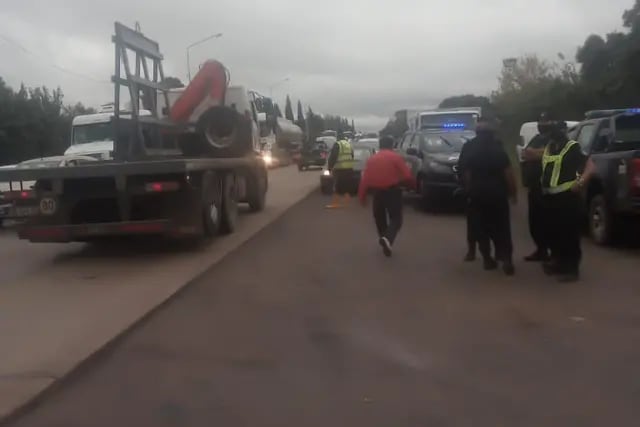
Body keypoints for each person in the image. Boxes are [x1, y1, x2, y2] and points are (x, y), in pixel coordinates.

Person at [459, 117, 518, 275]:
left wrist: (468, 190)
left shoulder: (469, 147)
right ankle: (506, 258)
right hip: (498, 194)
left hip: (477, 193)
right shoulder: (499, 148)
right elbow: (509, 174)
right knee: (502, 227)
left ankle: (487, 259)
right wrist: (513, 193)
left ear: (477, 132)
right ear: (492, 132)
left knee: (481, 227)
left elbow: (466, 173)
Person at [541, 120, 595, 282]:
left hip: (567, 198)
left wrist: (581, 182)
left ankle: (572, 269)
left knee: (569, 235)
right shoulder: (550, 147)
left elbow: (591, 166)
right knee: (554, 233)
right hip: (550, 198)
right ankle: (558, 262)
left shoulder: (573, 146)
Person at [358, 135, 416, 257]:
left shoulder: (372, 159)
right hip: (393, 192)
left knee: (380, 219)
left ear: (380, 145)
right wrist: (413, 186)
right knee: (396, 219)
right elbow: (407, 175)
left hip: (377, 193)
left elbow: (365, 179)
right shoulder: (396, 158)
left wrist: (362, 196)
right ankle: (388, 239)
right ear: (392, 145)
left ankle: (384, 239)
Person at [521, 113, 553, 261]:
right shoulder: (537, 138)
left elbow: (548, 154)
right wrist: (534, 153)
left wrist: (535, 153)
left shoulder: (554, 138)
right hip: (534, 186)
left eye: (545, 121)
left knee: (548, 220)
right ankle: (540, 250)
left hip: (548, 187)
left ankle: (553, 252)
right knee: (535, 221)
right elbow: (525, 153)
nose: (542, 124)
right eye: (540, 120)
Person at [326, 135, 355, 208]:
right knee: (347, 185)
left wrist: (329, 167)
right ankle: (347, 202)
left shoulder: (337, 144)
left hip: (340, 168)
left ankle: (335, 203)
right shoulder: (348, 144)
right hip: (349, 167)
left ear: (338, 138)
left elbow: (333, 157)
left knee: (336, 185)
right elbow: (352, 155)